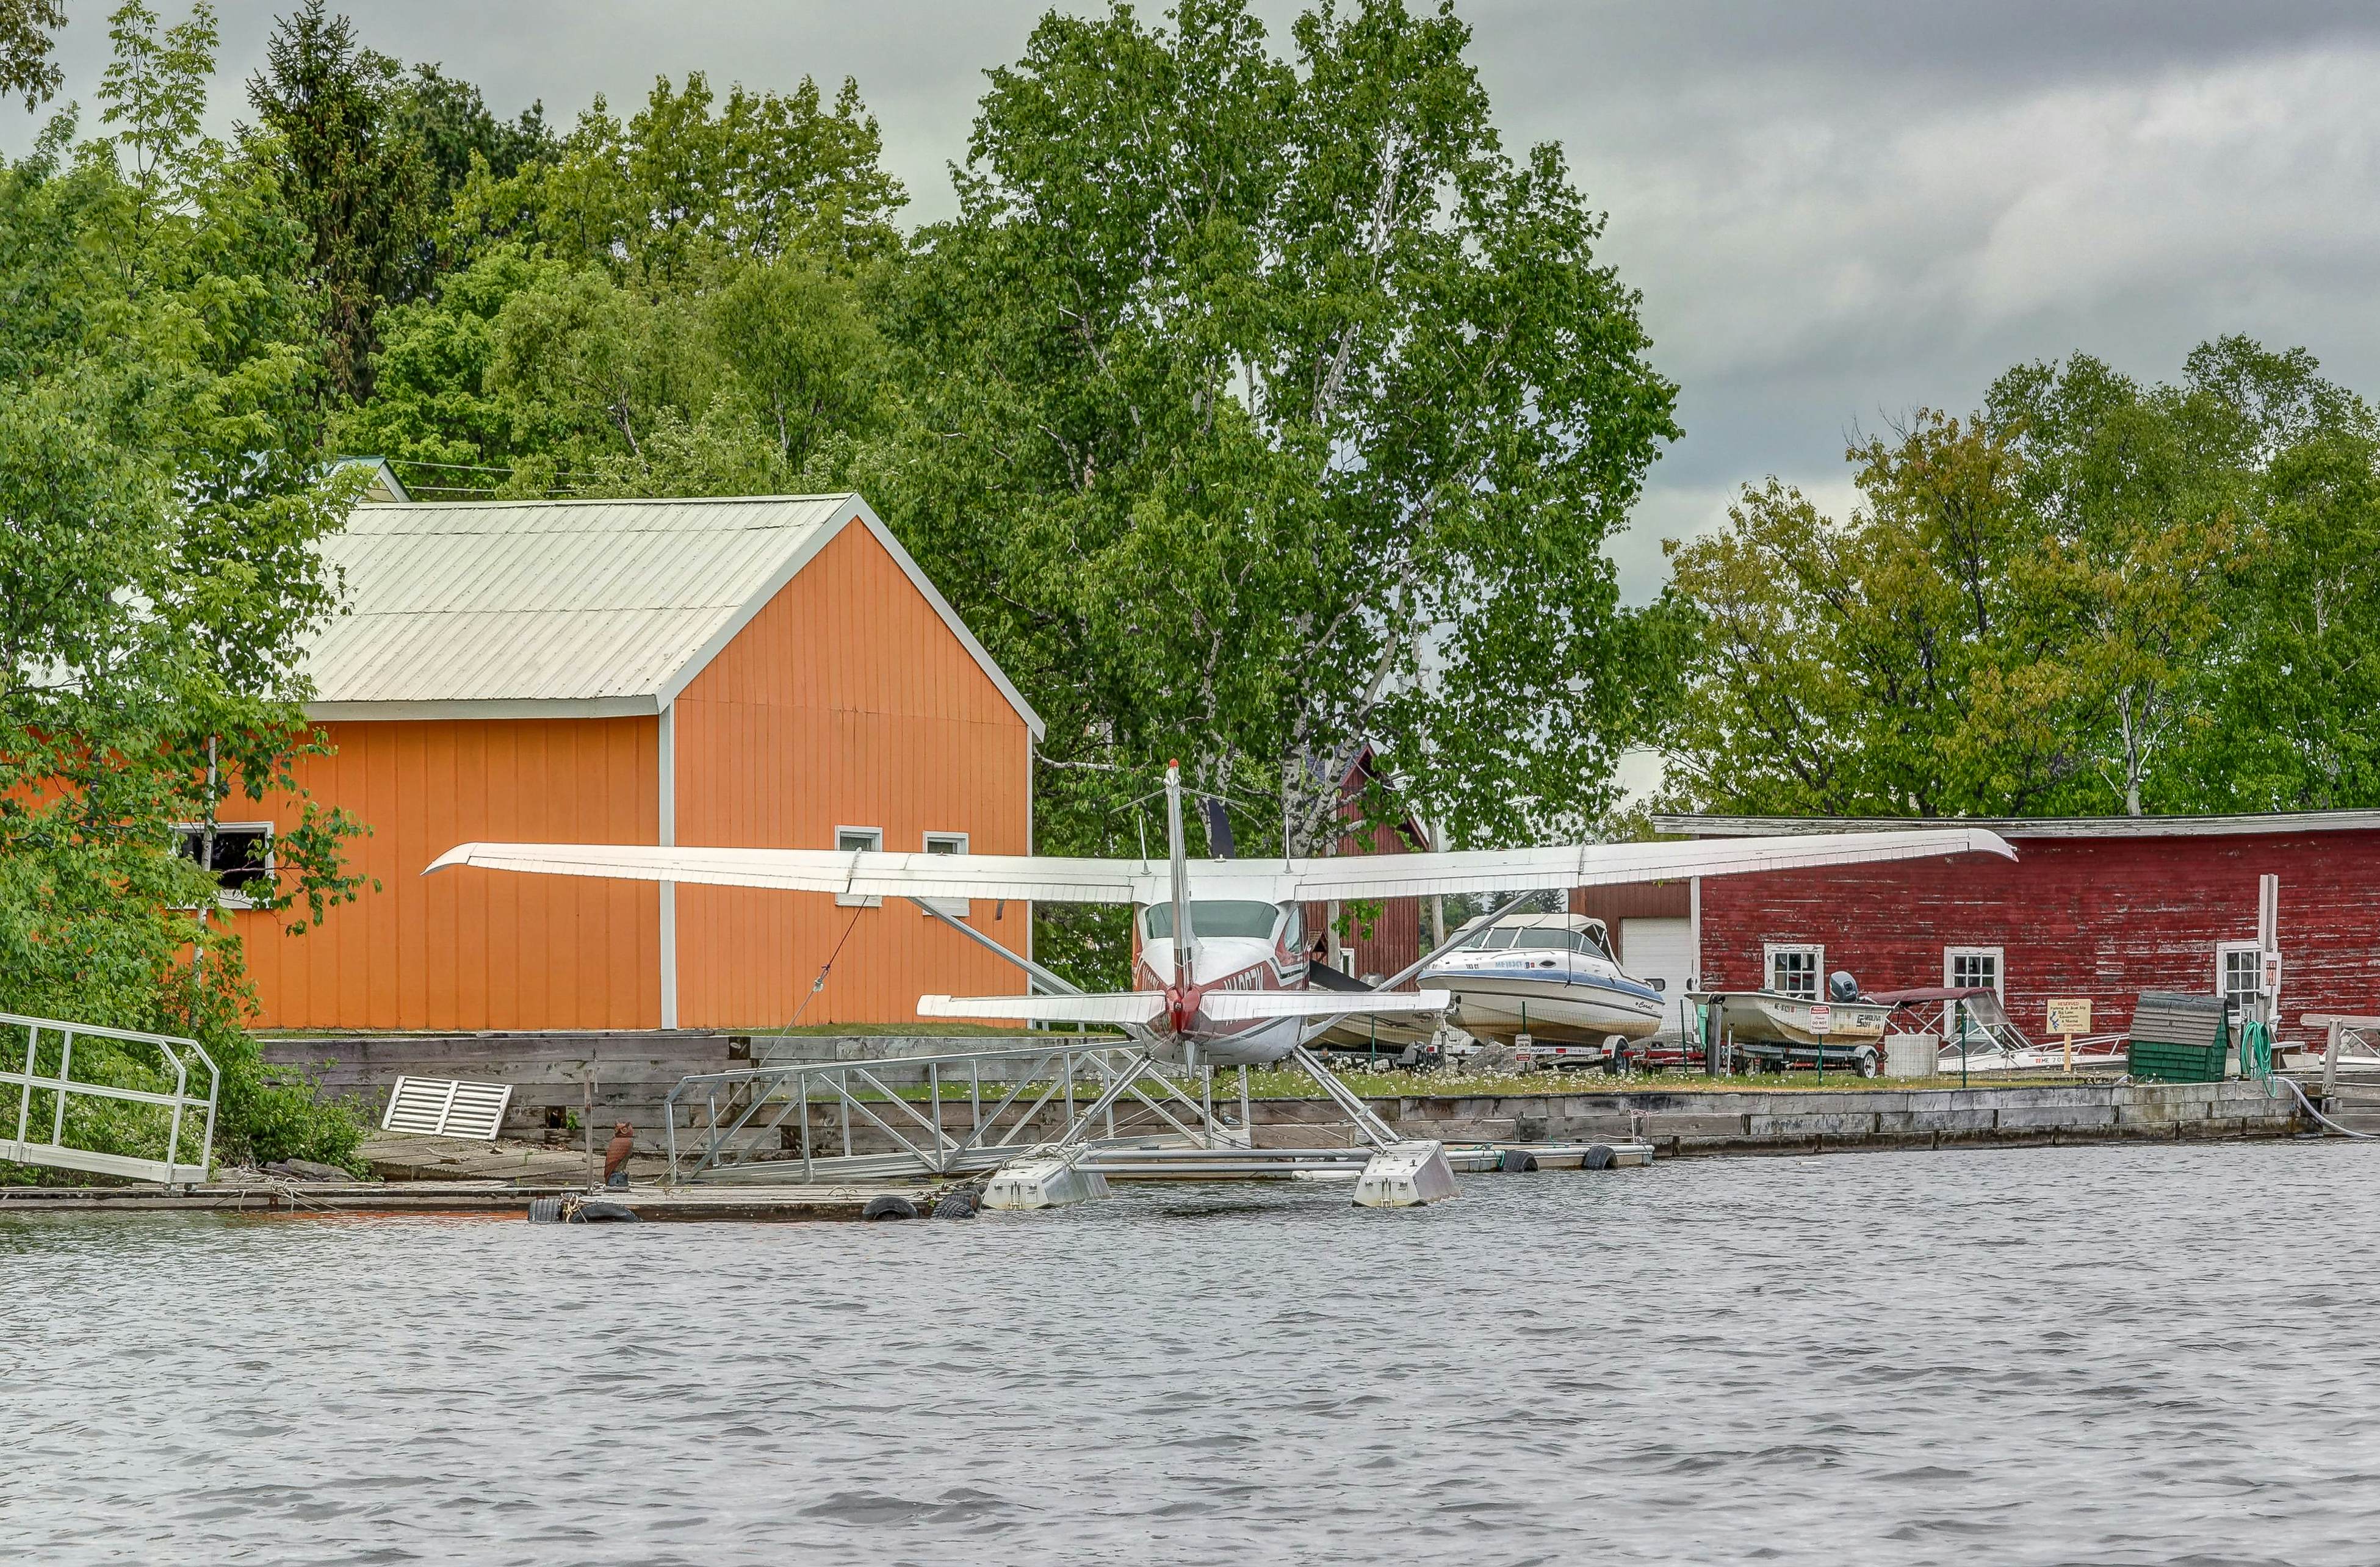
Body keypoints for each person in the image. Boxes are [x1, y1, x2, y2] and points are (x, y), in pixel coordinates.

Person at [604, 1120, 635, 1189]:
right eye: (617, 1130)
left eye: (624, 1130)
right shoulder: (621, 1142)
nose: (619, 1132)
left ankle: (620, 1172)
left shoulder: (628, 1141)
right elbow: (615, 1161)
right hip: (614, 1170)